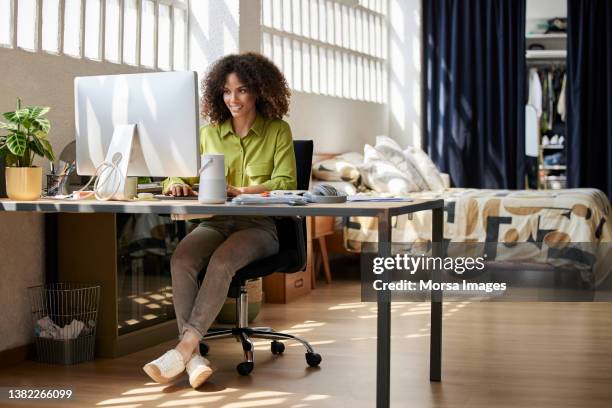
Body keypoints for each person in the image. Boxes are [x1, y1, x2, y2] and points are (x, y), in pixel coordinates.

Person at [143, 53, 296, 388]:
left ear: (258, 91)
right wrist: (177, 183)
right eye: (227, 92)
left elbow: (286, 183)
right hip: (217, 222)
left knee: (223, 259)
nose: (233, 99)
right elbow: (174, 174)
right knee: (182, 257)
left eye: (241, 91)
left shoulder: (277, 131)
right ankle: (194, 356)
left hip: (260, 227)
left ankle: (183, 347)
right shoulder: (208, 133)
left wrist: (241, 189)